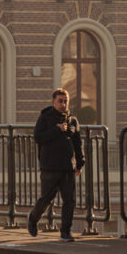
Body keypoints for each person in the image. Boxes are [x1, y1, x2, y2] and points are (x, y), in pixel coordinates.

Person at [28, 86, 84, 242]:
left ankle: (65, 231)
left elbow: (77, 143)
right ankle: (33, 219)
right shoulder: (45, 118)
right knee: (46, 198)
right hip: (50, 166)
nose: (63, 104)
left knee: (70, 200)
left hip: (68, 166)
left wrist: (80, 163)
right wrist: (55, 130)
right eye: (60, 101)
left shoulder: (72, 120)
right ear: (53, 102)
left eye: (66, 101)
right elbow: (38, 137)